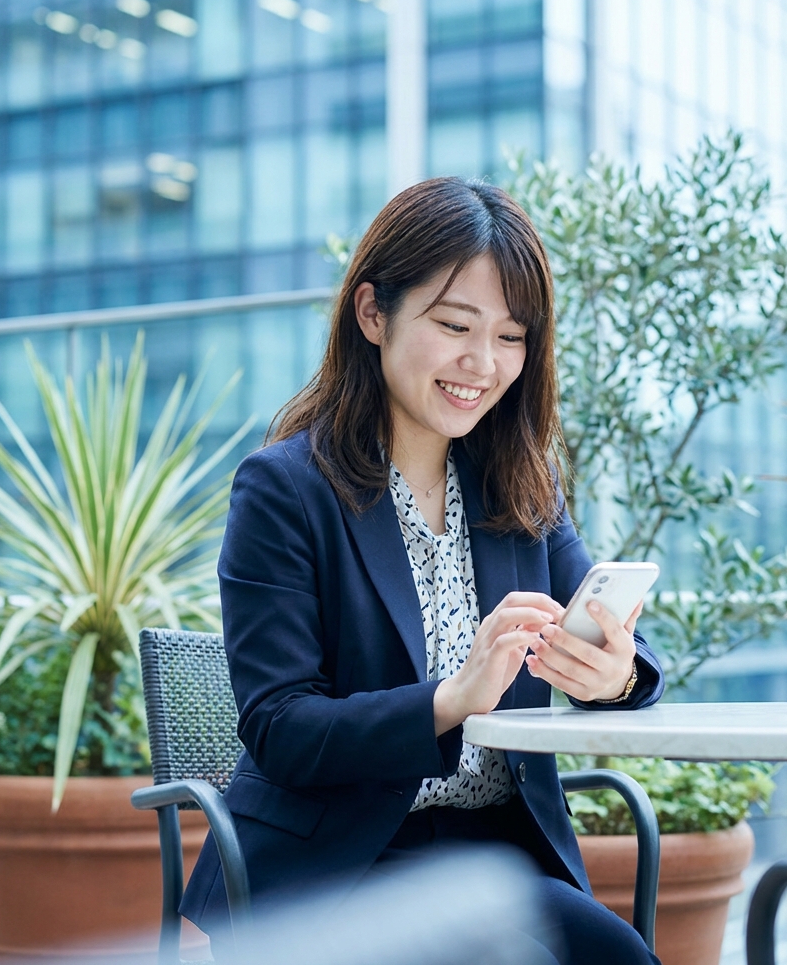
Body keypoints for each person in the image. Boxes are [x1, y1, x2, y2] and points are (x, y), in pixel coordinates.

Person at [180, 178, 665, 965]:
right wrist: (451, 699)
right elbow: (279, 728)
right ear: (373, 314)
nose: (484, 363)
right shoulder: (284, 489)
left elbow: (632, 655)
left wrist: (613, 673)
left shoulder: (521, 485)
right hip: (338, 867)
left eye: (512, 336)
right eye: (454, 325)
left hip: (495, 854)